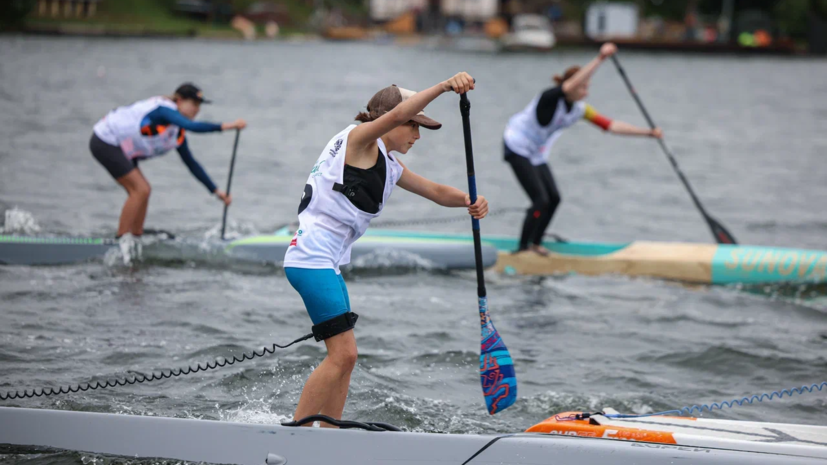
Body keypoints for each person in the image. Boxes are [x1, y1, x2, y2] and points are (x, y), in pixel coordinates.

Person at [283, 73, 487, 425]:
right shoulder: (358, 140)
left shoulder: (389, 165)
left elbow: (435, 191)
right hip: (310, 260)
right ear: (391, 119)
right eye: (414, 125)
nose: (417, 135)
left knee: (346, 358)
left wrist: (470, 201)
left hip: (326, 264)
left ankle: (326, 433)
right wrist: (441, 87)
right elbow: (392, 117)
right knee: (343, 355)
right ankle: (297, 436)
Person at [502, 43, 663, 255]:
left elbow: (611, 126)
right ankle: (522, 250)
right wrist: (600, 59)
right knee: (540, 200)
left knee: (554, 199)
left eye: (588, 87)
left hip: (537, 153)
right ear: (573, 85)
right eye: (583, 87)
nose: (586, 93)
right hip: (516, 146)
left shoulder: (580, 110)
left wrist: (648, 133)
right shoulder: (549, 97)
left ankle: (536, 243)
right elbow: (567, 87)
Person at [90, 83, 247, 238]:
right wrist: (229, 126)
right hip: (105, 141)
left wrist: (216, 191)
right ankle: (121, 240)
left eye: (199, 105)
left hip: (123, 149)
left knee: (143, 191)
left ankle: (136, 236)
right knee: (141, 189)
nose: (197, 109)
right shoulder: (164, 110)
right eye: (193, 103)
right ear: (178, 100)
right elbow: (191, 126)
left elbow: (191, 163)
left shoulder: (176, 132)